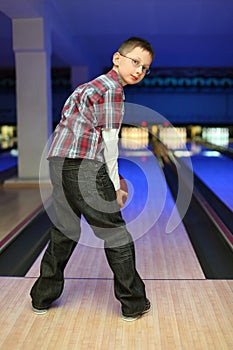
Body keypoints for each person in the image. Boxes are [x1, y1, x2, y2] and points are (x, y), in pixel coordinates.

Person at [30, 37, 154, 322]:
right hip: (85, 169)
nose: (139, 70)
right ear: (117, 58)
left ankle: (41, 297)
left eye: (145, 68)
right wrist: (113, 184)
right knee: (116, 234)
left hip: (58, 163)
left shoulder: (87, 87)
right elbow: (109, 142)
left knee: (65, 230)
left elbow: (75, 131)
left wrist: (112, 176)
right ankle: (133, 303)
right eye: (135, 62)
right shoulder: (112, 89)